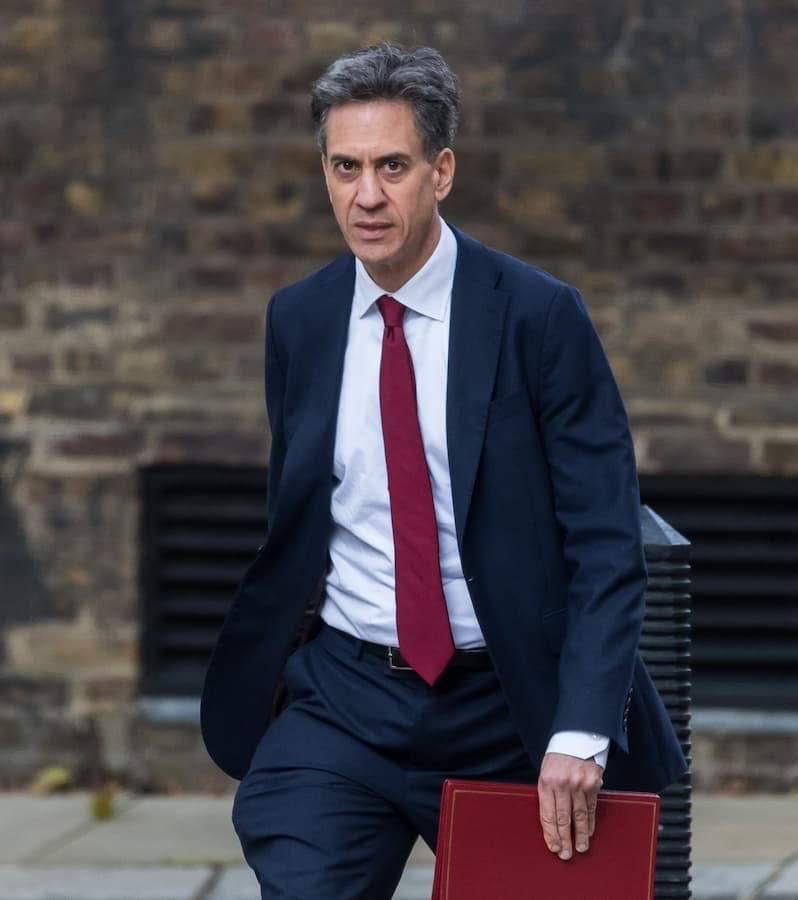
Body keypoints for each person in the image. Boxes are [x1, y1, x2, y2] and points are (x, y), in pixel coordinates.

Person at [200, 43, 687, 899]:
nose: (367, 196)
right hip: (347, 702)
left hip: (507, 705)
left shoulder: (538, 318)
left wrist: (579, 734)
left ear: (442, 171)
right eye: (345, 168)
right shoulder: (300, 321)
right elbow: (305, 516)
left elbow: (607, 545)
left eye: (393, 166)